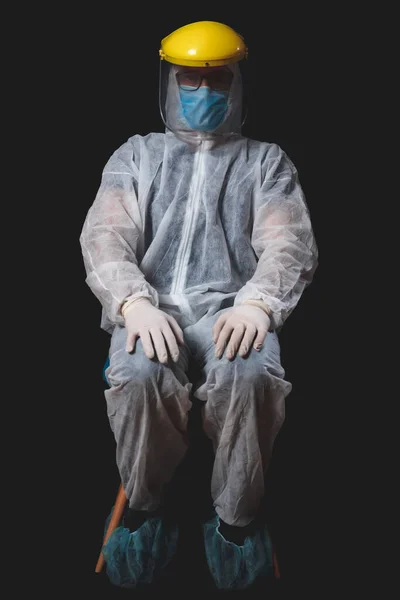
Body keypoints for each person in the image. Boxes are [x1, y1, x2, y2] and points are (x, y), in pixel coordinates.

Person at [80, 20, 318, 590]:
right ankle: (145, 503)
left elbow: (288, 242)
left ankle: (236, 520)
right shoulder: (137, 156)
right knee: (137, 373)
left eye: (218, 79)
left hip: (228, 313)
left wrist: (259, 304)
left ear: (237, 83)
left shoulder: (266, 163)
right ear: (168, 80)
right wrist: (134, 303)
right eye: (191, 78)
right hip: (152, 309)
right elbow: (105, 236)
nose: (204, 92)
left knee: (252, 372)